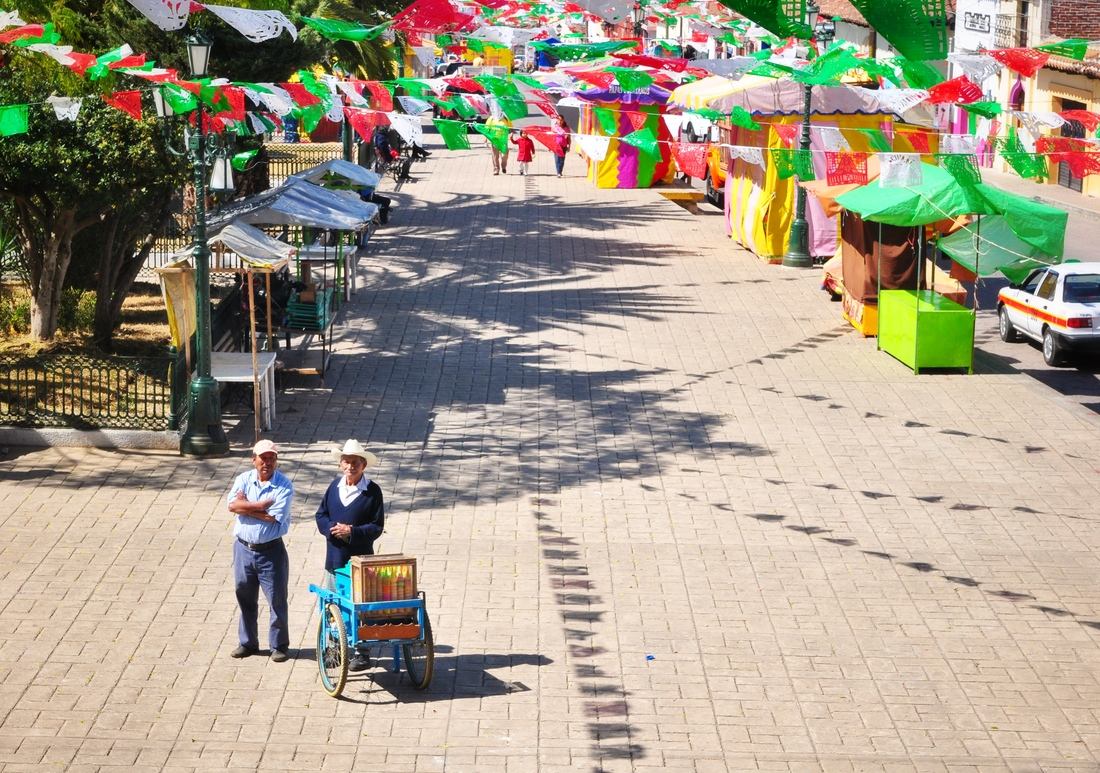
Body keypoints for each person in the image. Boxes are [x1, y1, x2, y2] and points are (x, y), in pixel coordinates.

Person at [315, 439, 385, 672]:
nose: (350, 466)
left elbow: (376, 527)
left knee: (361, 607)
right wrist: (331, 529)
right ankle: (335, 650)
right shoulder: (334, 487)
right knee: (333, 605)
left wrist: (352, 531)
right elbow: (321, 515)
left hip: (360, 563)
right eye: (346, 462)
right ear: (341, 464)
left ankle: (362, 653)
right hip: (334, 559)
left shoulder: (372, 492)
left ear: (363, 465)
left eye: (355, 462)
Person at [227, 439, 294, 662]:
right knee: (244, 596)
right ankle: (247, 643)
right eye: (263, 458)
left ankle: (279, 645)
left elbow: (274, 517)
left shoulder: (284, 485)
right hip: (243, 549)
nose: (267, 462)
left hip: (271, 551)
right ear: (253, 460)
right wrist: (260, 506)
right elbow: (231, 506)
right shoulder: (243, 479)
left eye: (271, 458)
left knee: (276, 599)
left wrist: (245, 508)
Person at [485, 109, 512, 175]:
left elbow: (510, 128)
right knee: (495, 156)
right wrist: (486, 139)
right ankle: (496, 169)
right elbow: (486, 130)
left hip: (503, 140)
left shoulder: (506, 118)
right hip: (494, 140)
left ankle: (503, 166)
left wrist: (510, 132)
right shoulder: (491, 119)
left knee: (504, 155)